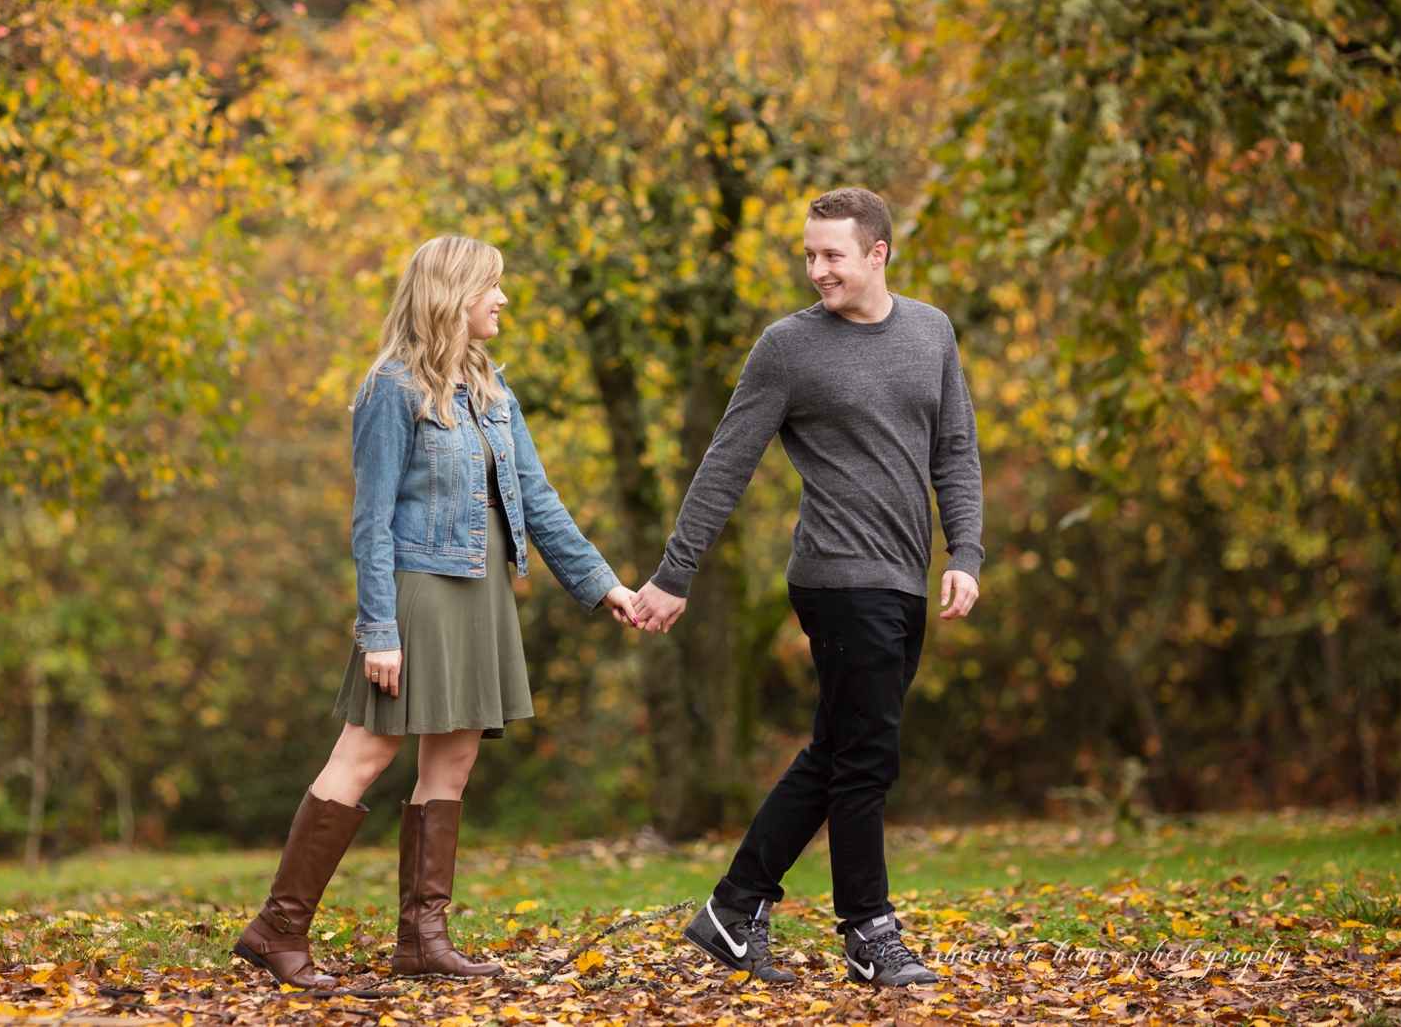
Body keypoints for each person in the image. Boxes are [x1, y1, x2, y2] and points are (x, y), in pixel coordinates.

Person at [235, 235, 642, 991]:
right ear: (453, 292)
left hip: (482, 590)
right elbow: (371, 520)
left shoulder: (490, 387)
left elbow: (539, 499)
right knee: (367, 751)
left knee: (453, 758)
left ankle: (424, 938)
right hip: (418, 590)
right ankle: (278, 929)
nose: (504, 300)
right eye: (493, 286)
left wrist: (603, 585)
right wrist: (380, 630)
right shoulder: (391, 388)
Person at [631, 187, 983, 989]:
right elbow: (726, 464)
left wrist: (965, 549)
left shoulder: (931, 331)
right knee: (867, 758)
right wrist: (675, 574)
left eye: (832, 255)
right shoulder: (787, 348)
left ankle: (734, 905)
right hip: (835, 577)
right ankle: (869, 930)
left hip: (904, 579)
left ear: (878, 254)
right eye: (809, 255)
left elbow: (956, 450)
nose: (817, 269)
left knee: (840, 749)